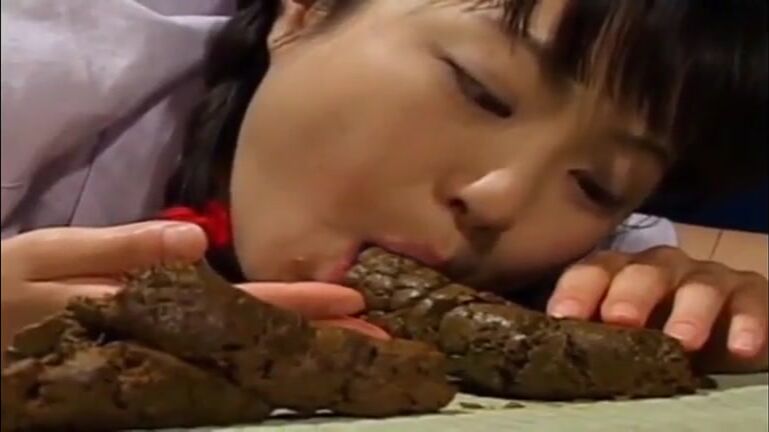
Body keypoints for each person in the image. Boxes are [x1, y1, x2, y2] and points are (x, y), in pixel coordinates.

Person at [1, 0, 767, 373]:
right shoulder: (36, 72)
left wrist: (706, 312)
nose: (500, 199)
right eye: (480, 89)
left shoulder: (560, 254)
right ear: (308, 11)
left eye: (597, 184)